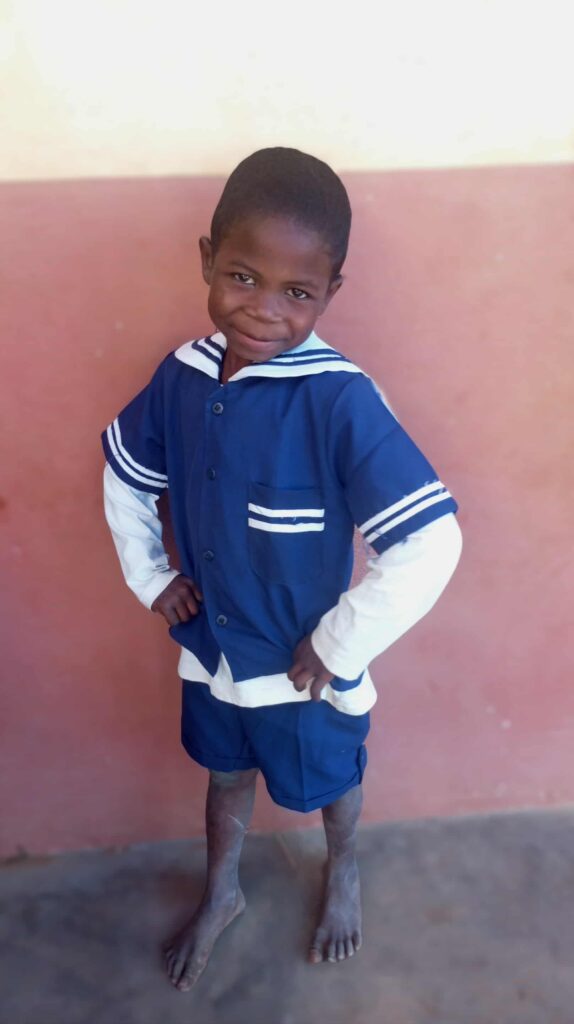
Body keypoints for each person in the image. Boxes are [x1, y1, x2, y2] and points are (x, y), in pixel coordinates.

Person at [102, 147, 462, 992]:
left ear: (331, 291)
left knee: (330, 779)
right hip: (212, 652)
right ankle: (221, 890)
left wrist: (339, 644)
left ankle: (344, 867)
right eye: (242, 276)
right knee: (225, 772)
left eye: (297, 292)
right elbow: (124, 471)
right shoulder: (182, 378)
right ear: (207, 260)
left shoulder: (339, 399)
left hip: (305, 672)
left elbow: (431, 542)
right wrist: (152, 577)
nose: (263, 309)